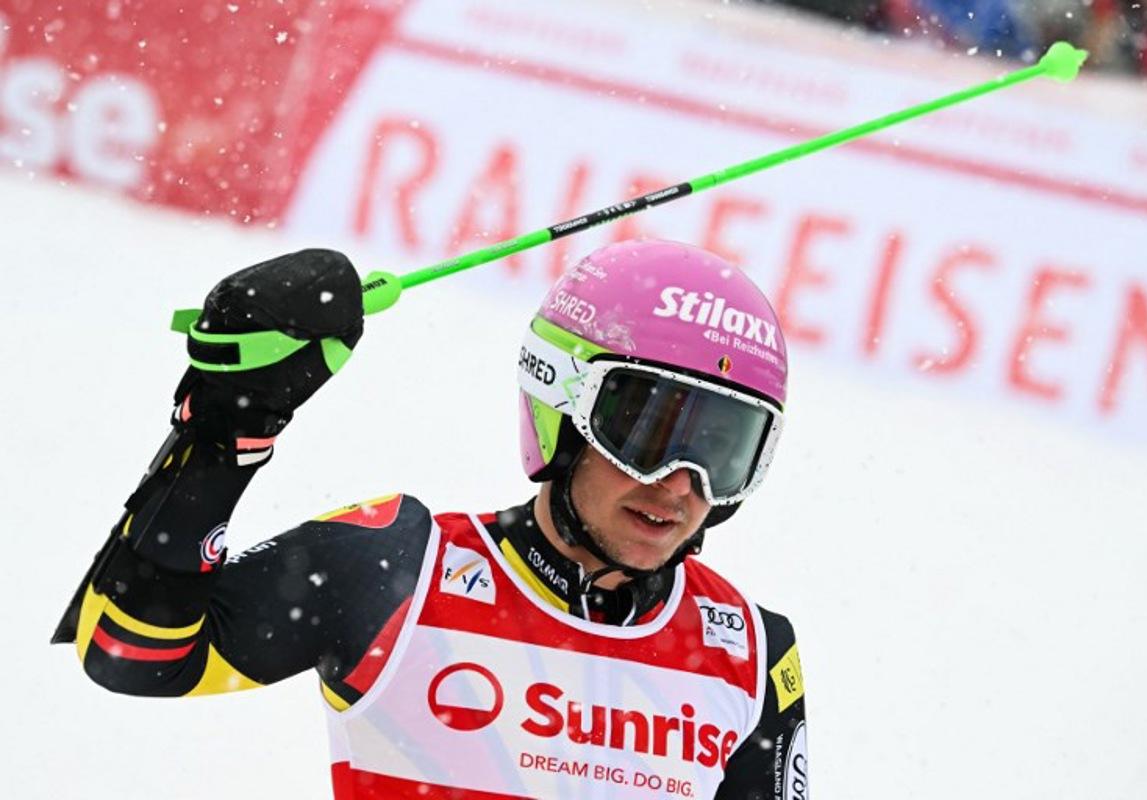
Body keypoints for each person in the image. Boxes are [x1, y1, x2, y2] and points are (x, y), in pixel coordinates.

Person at [53, 239, 809, 800]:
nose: (682, 487)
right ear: (563, 409)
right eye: (648, 435)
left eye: (725, 449)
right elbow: (130, 652)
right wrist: (222, 435)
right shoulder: (396, 567)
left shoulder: (748, 651)